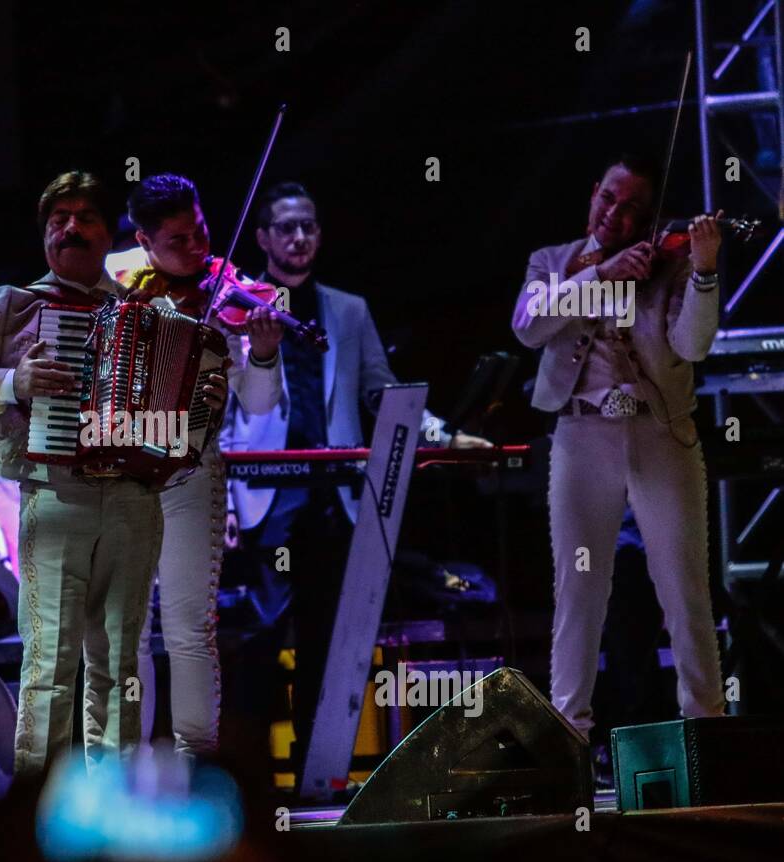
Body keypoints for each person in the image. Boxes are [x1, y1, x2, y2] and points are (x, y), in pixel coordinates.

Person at [0, 171, 223, 775]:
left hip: (136, 496)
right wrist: (13, 382)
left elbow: (187, 415)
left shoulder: (152, 312)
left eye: (84, 216)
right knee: (49, 666)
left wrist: (202, 405)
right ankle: (41, 817)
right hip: (54, 493)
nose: (70, 227)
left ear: (108, 234)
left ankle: (110, 814)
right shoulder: (14, 303)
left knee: (120, 667)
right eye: (57, 218)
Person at [221, 181, 489, 777]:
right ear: (263, 237)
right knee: (262, 640)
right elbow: (225, 409)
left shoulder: (347, 308)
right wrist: (227, 500)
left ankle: (318, 774)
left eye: (308, 226)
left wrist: (443, 435)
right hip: (268, 491)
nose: (299, 237)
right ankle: (249, 782)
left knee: (328, 640)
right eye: (286, 227)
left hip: (333, 493)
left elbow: (381, 388)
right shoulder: (237, 306)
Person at [510, 153, 725, 741]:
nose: (614, 214)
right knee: (579, 586)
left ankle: (708, 728)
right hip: (582, 434)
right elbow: (529, 324)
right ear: (593, 192)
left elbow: (694, 344)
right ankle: (571, 732)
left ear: (650, 218)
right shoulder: (552, 262)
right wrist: (599, 277)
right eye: (608, 197)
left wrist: (703, 270)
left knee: (684, 583)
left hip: (659, 431)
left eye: (631, 209)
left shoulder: (670, 266)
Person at [121, 173, 284, 758]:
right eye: (178, 241)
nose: (197, 250)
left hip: (194, 469)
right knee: (127, 633)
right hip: (121, 473)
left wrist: (263, 353)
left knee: (190, 628)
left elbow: (261, 404)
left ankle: (196, 763)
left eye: (201, 233)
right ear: (144, 240)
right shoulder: (116, 278)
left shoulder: (231, 292)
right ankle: (127, 770)